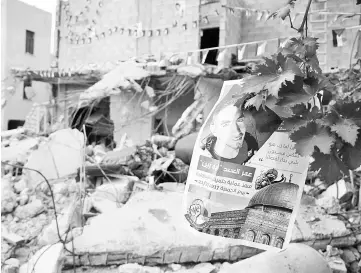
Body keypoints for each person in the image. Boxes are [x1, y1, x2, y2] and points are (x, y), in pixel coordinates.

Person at [201, 100, 258, 164]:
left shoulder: (250, 142)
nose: (237, 132)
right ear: (214, 129)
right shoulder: (205, 155)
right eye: (226, 124)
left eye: (240, 120)